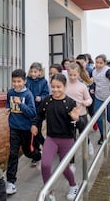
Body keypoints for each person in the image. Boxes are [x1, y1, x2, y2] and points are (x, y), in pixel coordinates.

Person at [31, 73, 80, 201]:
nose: (55, 90)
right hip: (51, 138)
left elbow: (81, 124)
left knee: (64, 168)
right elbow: (39, 116)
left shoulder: (70, 102)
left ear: (65, 86)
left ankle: (73, 185)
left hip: (67, 139)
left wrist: (76, 119)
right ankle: (49, 192)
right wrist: (35, 125)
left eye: (59, 87)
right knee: (45, 165)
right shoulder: (47, 101)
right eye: (53, 87)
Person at [4, 69, 42, 195]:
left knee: (28, 152)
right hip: (14, 127)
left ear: (24, 81)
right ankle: (11, 182)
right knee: (13, 153)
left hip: (26, 128)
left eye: (19, 81)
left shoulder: (28, 95)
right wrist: (8, 109)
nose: (16, 84)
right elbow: (8, 104)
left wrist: (21, 105)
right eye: (14, 81)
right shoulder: (10, 93)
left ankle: (38, 156)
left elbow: (32, 113)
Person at [65, 62, 94, 172]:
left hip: (82, 115)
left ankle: (88, 143)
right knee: (70, 140)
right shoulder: (65, 85)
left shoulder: (82, 86)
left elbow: (89, 99)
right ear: (67, 73)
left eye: (74, 75)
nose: (72, 77)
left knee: (83, 135)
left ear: (78, 74)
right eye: (70, 75)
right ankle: (71, 163)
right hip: (69, 117)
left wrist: (87, 102)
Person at [25, 62, 50, 165]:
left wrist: (41, 97)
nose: (33, 73)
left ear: (40, 72)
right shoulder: (27, 81)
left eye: (35, 71)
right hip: (28, 109)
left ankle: (44, 148)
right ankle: (36, 152)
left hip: (39, 110)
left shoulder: (43, 82)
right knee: (31, 132)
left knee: (37, 131)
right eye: (31, 71)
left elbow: (46, 94)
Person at [92, 54, 110, 145]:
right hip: (99, 97)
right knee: (98, 118)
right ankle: (103, 135)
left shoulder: (108, 71)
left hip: (109, 98)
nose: (98, 65)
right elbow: (95, 82)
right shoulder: (94, 71)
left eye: (101, 63)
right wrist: (93, 88)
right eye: (97, 62)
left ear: (105, 63)